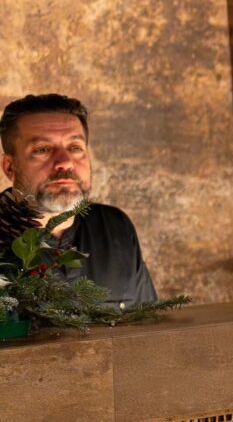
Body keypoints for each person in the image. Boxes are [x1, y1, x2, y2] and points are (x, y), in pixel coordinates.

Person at [0, 93, 155, 306]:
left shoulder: (115, 228)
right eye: (42, 149)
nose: (65, 162)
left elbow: (150, 322)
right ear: (10, 167)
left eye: (75, 148)